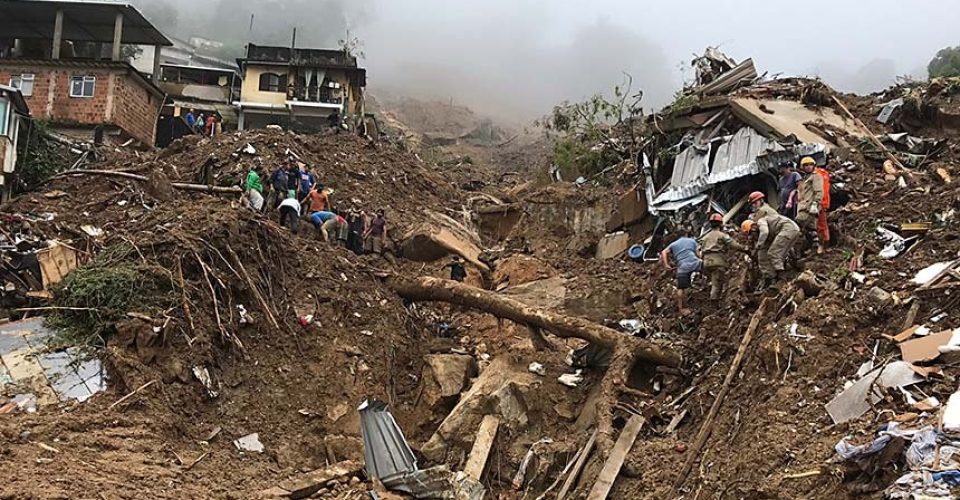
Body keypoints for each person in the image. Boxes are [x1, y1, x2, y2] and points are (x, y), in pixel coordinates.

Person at [747, 208, 801, 288]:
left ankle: (782, 277)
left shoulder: (760, 222)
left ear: (752, 228)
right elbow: (787, 249)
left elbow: (764, 232)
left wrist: (758, 246)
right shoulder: (771, 226)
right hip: (795, 229)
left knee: (773, 253)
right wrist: (794, 258)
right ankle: (795, 267)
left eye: (751, 234)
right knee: (781, 253)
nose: (753, 237)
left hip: (787, 229)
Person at [699, 214, 745, 303]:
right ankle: (713, 304)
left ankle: (714, 299)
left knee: (714, 282)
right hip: (717, 262)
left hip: (706, 263)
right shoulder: (722, 235)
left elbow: (699, 250)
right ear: (720, 224)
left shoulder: (705, 237)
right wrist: (744, 248)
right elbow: (733, 244)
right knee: (717, 284)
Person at [660, 229, 702, 316]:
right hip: (695, 263)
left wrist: (666, 265)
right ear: (686, 234)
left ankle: (681, 308)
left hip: (682, 267)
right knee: (707, 269)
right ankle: (711, 283)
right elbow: (699, 254)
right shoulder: (692, 240)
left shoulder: (674, 244)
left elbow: (663, 252)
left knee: (681, 288)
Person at [796, 156, 830, 254]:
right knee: (811, 228)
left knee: (803, 223)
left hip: (812, 206)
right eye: (806, 165)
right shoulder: (806, 178)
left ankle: (823, 246)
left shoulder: (816, 176)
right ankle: (814, 247)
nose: (808, 167)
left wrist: (815, 204)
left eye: (810, 165)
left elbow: (819, 191)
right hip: (805, 207)